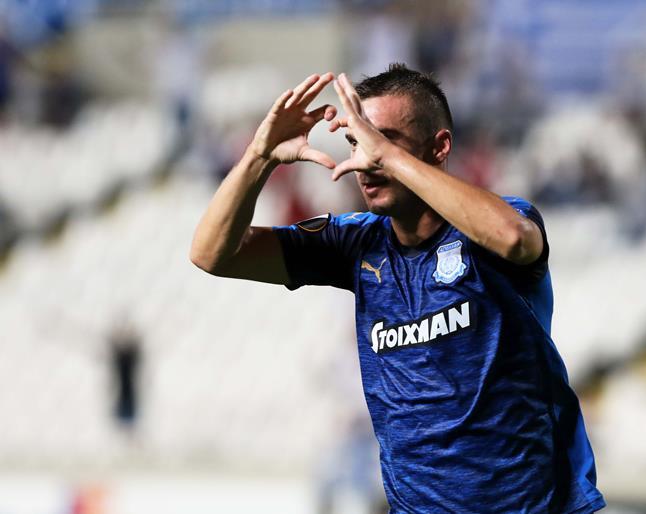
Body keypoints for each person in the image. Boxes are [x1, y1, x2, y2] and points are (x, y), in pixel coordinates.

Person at [190, 65, 605, 513]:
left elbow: (515, 239)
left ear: (439, 146)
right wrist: (259, 156)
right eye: (355, 142)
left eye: (382, 139)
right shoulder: (355, 243)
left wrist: (386, 156)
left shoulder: (498, 220)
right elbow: (212, 254)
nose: (364, 160)